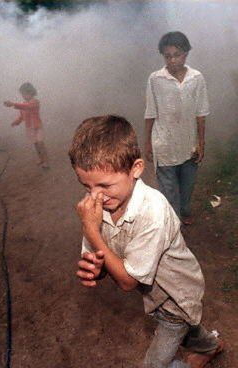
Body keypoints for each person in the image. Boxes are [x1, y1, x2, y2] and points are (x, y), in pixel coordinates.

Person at [69, 115, 223, 368]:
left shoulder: (153, 211)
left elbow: (128, 282)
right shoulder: (100, 207)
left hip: (177, 296)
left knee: (161, 353)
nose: (96, 196)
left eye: (105, 185)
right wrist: (97, 270)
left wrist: (92, 231)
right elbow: (102, 257)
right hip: (155, 296)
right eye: (87, 186)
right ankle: (210, 346)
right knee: (189, 330)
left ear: (136, 169)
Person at [144, 32, 209, 225]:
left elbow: (201, 112)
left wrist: (201, 142)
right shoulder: (155, 79)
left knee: (186, 186)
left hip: (188, 143)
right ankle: (174, 226)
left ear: (186, 54)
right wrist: (147, 142)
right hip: (163, 144)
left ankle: (184, 211)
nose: (172, 60)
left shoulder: (196, 78)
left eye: (177, 55)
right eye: (167, 56)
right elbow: (150, 113)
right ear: (163, 56)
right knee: (169, 189)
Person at [4, 82, 49, 169]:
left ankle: (46, 161)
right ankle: (41, 159)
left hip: (37, 127)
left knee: (40, 144)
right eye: (22, 94)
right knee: (36, 144)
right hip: (30, 128)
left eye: (25, 93)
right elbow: (22, 116)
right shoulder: (23, 104)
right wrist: (16, 122)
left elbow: (28, 106)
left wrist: (13, 104)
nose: (24, 96)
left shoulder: (35, 102)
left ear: (31, 93)